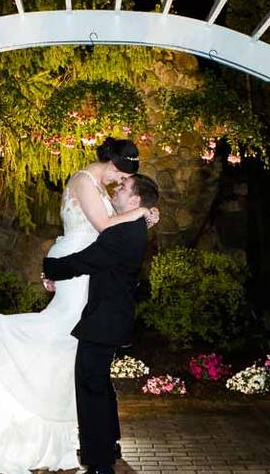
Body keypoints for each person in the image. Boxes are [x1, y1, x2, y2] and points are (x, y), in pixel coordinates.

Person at [0, 138, 158, 474]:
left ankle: (94, 444)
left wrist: (141, 213)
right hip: (81, 271)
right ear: (112, 165)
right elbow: (104, 229)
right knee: (63, 336)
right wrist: (141, 212)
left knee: (74, 355)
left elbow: (110, 234)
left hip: (88, 274)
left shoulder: (110, 198)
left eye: (124, 183)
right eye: (120, 177)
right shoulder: (84, 181)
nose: (118, 184)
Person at [42, 173, 159, 474]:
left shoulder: (122, 233)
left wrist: (50, 267)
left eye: (123, 187)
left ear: (135, 200)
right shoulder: (131, 227)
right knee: (100, 384)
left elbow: (85, 261)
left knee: (90, 387)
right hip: (109, 318)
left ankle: (99, 462)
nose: (116, 191)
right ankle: (109, 444)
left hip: (103, 320)